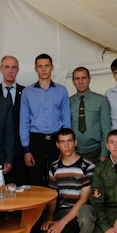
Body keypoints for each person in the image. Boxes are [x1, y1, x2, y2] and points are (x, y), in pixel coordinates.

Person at [39, 128, 96, 233]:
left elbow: (84, 200)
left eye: (69, 141)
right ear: (57, 145)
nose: (66, 146)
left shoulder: (87, 165)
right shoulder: (54, 167)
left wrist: (61, 223)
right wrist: (49, 218)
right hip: (64, 211)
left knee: (86, 214)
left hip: (82, 210)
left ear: (75, 142)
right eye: (62, 142)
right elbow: (53, 196)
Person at [20, 53, 71, 186]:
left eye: (46, 66)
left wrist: (65, 146)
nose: (43, 69)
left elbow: (66, 119)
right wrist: (26, 149)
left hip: (56, 141)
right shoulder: (27, 92)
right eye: (40, 66)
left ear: (52, 67)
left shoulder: (62, 91)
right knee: (35, 180)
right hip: (36, 141)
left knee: (58, 179)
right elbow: (24, 121)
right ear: (35, 69)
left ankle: (57, 201)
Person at [0, 55, 28, 186]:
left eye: (14, 67)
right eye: (7, 67)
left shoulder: (26, 92)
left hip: (20, 150)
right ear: (1, 69)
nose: (10, 71)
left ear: (18, 70)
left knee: (21, 188)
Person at [69, 67, 111, 163]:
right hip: (74, 152)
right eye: (77, 79)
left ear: (89, 79)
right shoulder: (68, 102)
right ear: (73, 81)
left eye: (84, 78)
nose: (80, 82)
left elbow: (106, 130)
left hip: (95, 152)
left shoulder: (101, 100)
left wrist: (104, 153)